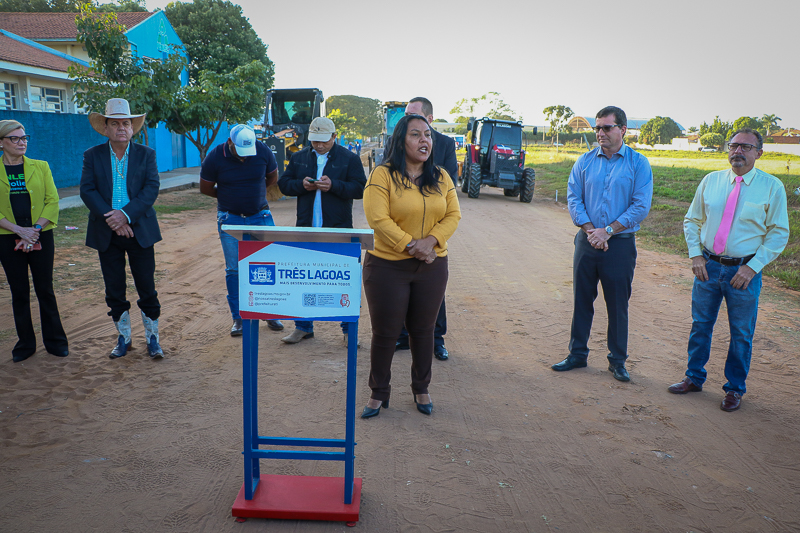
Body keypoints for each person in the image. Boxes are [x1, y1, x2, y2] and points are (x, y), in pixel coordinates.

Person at [669, 128, 789, 412]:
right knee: (700, 325)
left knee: (741, 333)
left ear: (759, 153)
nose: (738, 151)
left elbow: (778, 233)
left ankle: (734, 389)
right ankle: (693, 377)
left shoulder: (772, 187)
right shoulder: (711, 181)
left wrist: (753, 267)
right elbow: (692, 220)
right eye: (733, 146)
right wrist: (696, 255)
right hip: (707, 268)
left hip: (743, 273)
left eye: (746, 147)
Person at [360, 114, 461, 418]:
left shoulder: (441, 176)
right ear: (401, 141)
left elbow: (453, 216)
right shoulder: (382, 175)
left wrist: (430, 242)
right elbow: (378, 218)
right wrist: (411, 244)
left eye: (428, 135)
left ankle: (421, 388)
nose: (424, 140)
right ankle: (379, 392)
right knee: (386, 332)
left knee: (423, 330)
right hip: (387, 266)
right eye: (416, 135)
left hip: (431, 265)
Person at [551, 106, 653, 382]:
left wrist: (607, 231)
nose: (600, 133)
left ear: (623, 130)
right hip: (586, 242)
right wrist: (590, 231)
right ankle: (577, 354)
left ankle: (617, 361)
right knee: (582, 300)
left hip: (619, 245)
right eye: (597, 128)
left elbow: (641, 205)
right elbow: (574, 198)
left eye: (606, 127)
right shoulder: (584, 162)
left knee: (617, 305)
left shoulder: (638, 163)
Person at [80, 98, 164, 360]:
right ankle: (124, 338)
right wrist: (113, 219)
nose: (121, 128)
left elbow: (151, 189)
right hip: (106, 232)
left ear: (132, 127)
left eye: (126, 123)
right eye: (115, 123)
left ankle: (153, 338)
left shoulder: (146, 154)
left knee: (147, 287)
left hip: (140, 231)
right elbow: (87, 190)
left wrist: (126, 216)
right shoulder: (92, 155)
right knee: (114, 289)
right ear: (105, 127)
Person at [277, 117, 366, 344]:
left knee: (342, 281)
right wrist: (301, 185)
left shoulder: (349, 159)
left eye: (324, 141)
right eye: (315, 141)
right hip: (306, 229)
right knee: (304, 280)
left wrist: (334, 185)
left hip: (338, 230)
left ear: (334, 137)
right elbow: (283, 184)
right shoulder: (298, 158)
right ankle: (303, 327)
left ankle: (348, 331)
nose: (319, 146)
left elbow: (360, 188)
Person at [200, 124, 284, 336]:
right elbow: (206, 188)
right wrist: (230, 195)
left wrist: (256, 192)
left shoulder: (262, 150)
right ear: (230, 143)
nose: (246, 156)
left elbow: (272, 177)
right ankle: (239, 317)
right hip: (230, 219)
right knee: (234, 270)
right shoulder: (215, 157)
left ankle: (269, 312)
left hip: (260, 216)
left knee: (268, 266)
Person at [395, 97, 458, 361]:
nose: (406, 118)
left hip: (432, 234)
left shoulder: (445, 144)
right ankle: (401, 336)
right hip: (403, 234)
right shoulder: (398, 140)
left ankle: (437, 339)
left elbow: (450, 186)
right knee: (398, 288)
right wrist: (410, 242)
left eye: (412, 114)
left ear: (429, 120)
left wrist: (430, 241)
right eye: (406, 114)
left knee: (433, 292)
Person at [0, 120, 69, 363]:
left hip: (41, 235)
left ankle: (56, 342)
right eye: (15, 138)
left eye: (24, 137)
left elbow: (52, 200)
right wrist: (19, 230)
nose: (22, 142)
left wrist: (35, 229)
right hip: (8, 238)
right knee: (19, 292)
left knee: (45, 289)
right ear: (2, 143)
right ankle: (25, 344)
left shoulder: (41, 167)